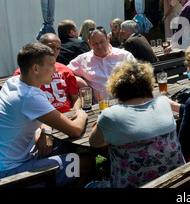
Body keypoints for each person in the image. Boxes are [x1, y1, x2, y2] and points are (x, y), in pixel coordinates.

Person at [0, 43, 93, 187]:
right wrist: (81, 113)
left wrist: (46, 131)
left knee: (59, 146)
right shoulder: (30, 96)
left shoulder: (13, 83)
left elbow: (41, 115)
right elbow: (75, 130)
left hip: (10, 160)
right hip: (11, 174)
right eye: (51, 65)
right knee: (86, 161)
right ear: (36, 69)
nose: (55, 70)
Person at [88, 60, 185, 188]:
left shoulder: (111, 115)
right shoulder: (163, 103)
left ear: (115, 87)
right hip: (178, 182)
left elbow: (94, 142)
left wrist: (102, 124)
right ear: (148, 83)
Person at [13, 33, 81, 113]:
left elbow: (75, 97)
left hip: (68, 115)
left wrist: (76, 111)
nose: (54, 51)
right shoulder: (25, 73)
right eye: (51, 47)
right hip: (42, 118)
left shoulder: (65, 70)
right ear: (40, 46)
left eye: (58, 48)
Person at [68, 27, 136, 100]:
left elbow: (139, 77)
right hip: (100, 107)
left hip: (125, 103)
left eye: (101, 42)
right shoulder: (83, 59)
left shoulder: (124, 56)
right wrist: (79, 81)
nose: (99, 47)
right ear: (89, 43)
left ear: (108, 39)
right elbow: (64, 72)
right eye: (95, 44)